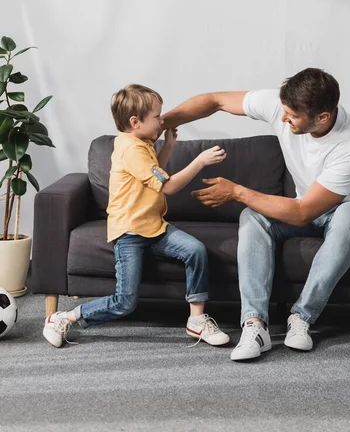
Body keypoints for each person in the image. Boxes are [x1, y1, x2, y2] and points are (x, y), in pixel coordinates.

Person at [161, 68, 350, 361]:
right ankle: (255, 325)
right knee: (252, 216)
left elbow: (303, 213)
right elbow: (214, 100)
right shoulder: (283, 107)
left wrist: (237, 192)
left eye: (292, 116)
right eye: (284, 111)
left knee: (349, 215)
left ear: (322, 117)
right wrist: (158, 124)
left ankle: (302, 316)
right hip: (308, 208)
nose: (282, 119)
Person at [43, 84, 230, 348]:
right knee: (125, 302)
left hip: (154, 227)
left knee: (195, 250)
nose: (162, 120)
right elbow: (168, 186)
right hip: (130, 231)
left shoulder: (140, 143)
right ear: (135, 122)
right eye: (157, 116)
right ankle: (64, 318)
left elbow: (154, 174)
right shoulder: (131, 150)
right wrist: (199, 161)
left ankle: (196, 320)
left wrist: (169, 146)